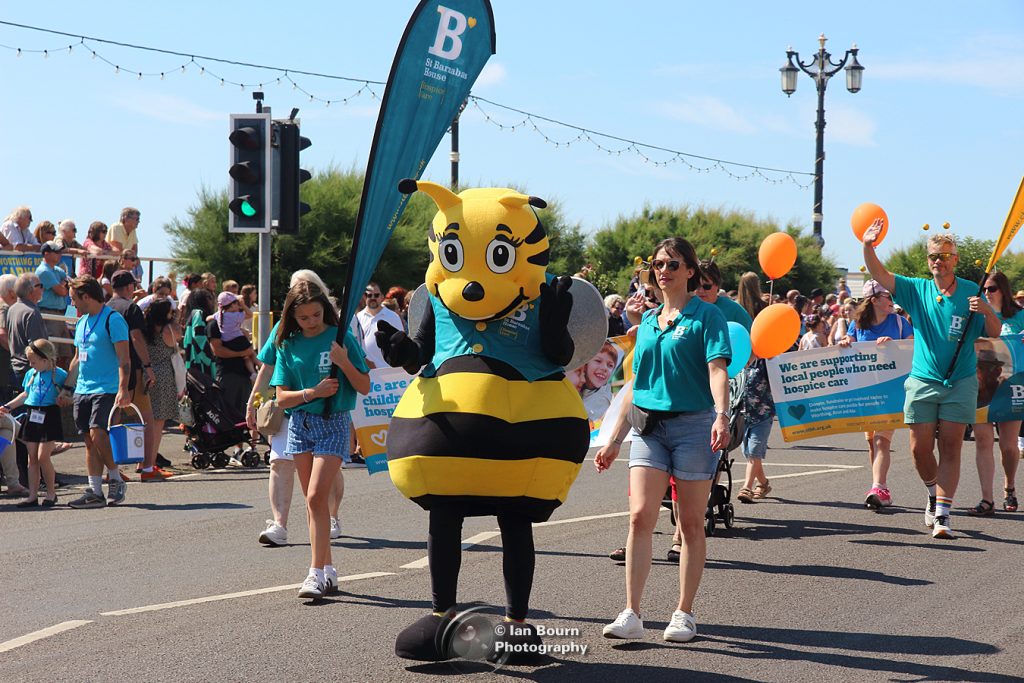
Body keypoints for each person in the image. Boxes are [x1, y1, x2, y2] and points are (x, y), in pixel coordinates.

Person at [596, 237, 730, 643]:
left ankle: (684, 613)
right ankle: (632, 613)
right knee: (640, 516)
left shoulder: (707, 316)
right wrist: (614, 438)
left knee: (689, 523)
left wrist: (721, 414)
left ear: (690, 271)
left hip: (694, 427)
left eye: (672, 264)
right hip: (649, 428)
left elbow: (717, 370)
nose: (663, 271)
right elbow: (637, 383)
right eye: (658, 264)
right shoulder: (651, 321)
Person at [862, 222, 1000, 539]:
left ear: (955, 260)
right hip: (923, 381)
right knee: (919, 450)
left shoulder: (972, 290)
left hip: (961, 381)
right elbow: (880, 274)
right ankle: (932, 493)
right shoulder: (916, 290)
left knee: (950, 447)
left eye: (944, 256)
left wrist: (987, 312)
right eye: (933, 256)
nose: (938, 261)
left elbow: (993, 334)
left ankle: (943, 515)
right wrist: (868, 246)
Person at [271, 280, 370, 598]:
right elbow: (281, 398)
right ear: (292, 316)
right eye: (304, 317)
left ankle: (314, 573)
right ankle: (327, 569)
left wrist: (343, 362)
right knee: (312, 502)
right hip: (300, 424)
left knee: (316, 497)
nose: (312, 321)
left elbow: (364, 385)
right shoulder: (287, 343)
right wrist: (311, 392)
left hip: (334, 421)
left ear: (325, 310)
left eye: (316, 314)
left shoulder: (340, 337)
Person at [249, 270, 347, 548]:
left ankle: (331, 517)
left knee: (327, 469)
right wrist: (252, 401)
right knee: (279, 462)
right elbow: (268, 366)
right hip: (290, 409)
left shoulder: (335, 328)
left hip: (327, 411)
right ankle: (279, 525)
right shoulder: (283, 330)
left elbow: (354, 372)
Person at [838, 280, 915, 509]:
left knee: (882, 440)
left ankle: (878, 487)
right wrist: (846, 342)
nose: (892, 300)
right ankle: (881, 488)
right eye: (887, 296)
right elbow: (850, 344)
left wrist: (894, 345)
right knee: (872, 443)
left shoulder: (899, 322)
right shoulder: (858, 324)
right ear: (874, 300)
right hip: (867, 391)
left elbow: (913, 348)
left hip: (891, 391)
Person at [61, 276, 132, 509]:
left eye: (74, 299)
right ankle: (95, 492)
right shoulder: (81, 322)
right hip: (83, 389)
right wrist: (67, 388)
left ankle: (115, 477)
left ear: (86, 296)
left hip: (107, 388)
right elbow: (76, 359)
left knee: (98, 433)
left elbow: (124, 359)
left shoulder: (113, 319)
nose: (72, 304)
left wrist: (123, 389)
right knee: (89, 441)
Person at [969, 271, 1022, 516]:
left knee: (1009, 447)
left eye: (992, 289)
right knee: (983, 440)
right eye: (984, 289)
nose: (987, 293)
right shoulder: (976, 317)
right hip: (981, 385)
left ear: (1003, 290)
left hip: (1012, 385)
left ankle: (1009, 487)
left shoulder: (1019, 316)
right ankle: (986, 498)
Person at [109, 270, 167, 481]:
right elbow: (137, 339)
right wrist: (148, 366)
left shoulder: (106, 307)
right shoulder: (131, 308)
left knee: (113, 418)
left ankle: (112, 469)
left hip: (111, 370)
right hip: (132, 369)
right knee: (146, 418)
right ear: (128, 287)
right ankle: (147, 467)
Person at [1, 339, 66, 507]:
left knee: (43, 457)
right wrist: (8, 407)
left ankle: (51, 493)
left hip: (49, 415)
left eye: (33, 362)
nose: (31, 365)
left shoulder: (59, 374)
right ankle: (32, 495)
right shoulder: (31, 374)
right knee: (32, 458)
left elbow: (69, 394)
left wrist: (65, 398)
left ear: (45, 359)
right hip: (32, 414)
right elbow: (25, 395)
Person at [142, 298, 181, 480]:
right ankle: (150, 464)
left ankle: (143, 462)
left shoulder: (145, 328)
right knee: (157, 422)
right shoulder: (168, 330)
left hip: (147, 374)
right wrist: (176, 319)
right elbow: (177, 339)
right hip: (163, 375)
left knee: (146, 420)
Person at [207, 291, 257, 419]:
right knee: (227, 413)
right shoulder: (215, 325)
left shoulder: (224, 319)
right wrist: (241, 353)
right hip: (228, 374)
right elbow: (218, 350)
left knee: (243, 415)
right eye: (235, 303)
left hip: (243, 375)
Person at [7, 273, 48, 386]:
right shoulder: (31, 313)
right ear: (31, 290)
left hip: (15, 369)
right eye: (40, 285)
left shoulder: (12, 309)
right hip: (30, 371)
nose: (43, 289)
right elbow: (38, 347)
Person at [352, 282, 402, 369]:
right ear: (364, 297)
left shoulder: (393, 317)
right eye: (369, 295)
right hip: (367, 371)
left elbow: (401, 343)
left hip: (389, 370)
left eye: (376, 295)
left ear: (382, 296)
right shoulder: (358, 318)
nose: (373, 298)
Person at [35, 241, 72, 347]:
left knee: (65, 352)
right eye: (56, 252)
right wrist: (65, 284)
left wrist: (64, 284)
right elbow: (62, 291)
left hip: (59, 314)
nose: (60, 254)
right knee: (53, 350)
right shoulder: (43, 271)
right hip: (49, 315)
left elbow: (71, 284)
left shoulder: (56, 269)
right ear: (46, 254)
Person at [183, 288, 216, 379]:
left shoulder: (193, 314)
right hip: (200, 361)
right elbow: (198, 336)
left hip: (195, 360)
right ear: (201, 300)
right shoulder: (198, 313)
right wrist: (209, 356)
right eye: (208, 297)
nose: (212, 301)